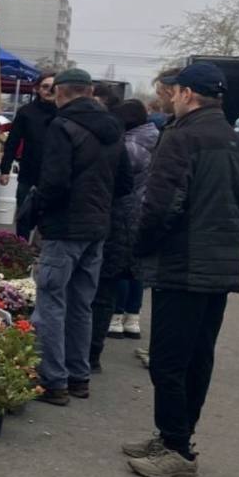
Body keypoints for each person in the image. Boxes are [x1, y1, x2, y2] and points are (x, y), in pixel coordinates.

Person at [124, 63, 239, 477]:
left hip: (183, 262)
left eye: (173, 91)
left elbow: (161, 205)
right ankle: (176, 435)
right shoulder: (232, 137)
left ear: (187, 94)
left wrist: (139, 248)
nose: (168, 98)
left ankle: (177, 449)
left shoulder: (183, 136)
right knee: (197, 357)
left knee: (169, 361)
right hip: (219, 264)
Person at [28, 68, 128, 405]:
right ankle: (78, 376)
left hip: (65, 227)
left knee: (51, 302)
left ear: (60, 92)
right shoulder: (114, 129)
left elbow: (54, 182)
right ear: (89, 91)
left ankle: (53, 380)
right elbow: (125, 182)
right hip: (98, 227)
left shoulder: (61, 126)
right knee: (82, 304)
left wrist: (39, 210)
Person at [87, 100, 137, 373]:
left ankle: (73, 355)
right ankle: (92, 356)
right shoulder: (119, 142)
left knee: (78, 291)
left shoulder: (76, 137)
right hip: (119, 221)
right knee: (105, 293)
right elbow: (127, 184)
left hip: (87, 222)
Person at [109, 100, 157, 340]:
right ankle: (133, 318)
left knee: (120, 266)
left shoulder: (130, 146)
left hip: (127, 209)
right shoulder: (157, 139)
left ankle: (116, 316)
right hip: (148, 209)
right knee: (137, 268)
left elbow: (120, 180)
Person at [0, 71, 57, 239]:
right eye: (45, 87)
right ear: (37, 89)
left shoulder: (66, 112)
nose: (49, 90)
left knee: (50, 219)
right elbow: (13, 141)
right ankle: (21, 252)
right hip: (29, 172)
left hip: (55, 175)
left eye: (53, 87)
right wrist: (5, 169)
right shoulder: (26, 112)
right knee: (24, 216)